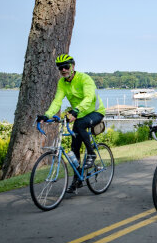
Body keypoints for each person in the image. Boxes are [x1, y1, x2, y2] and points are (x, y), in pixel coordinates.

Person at [36, 54, 105, 193]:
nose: (63, 70)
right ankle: (77, 180)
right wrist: (47, 115)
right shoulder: (62, 83)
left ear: (73, 66)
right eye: (60, 68)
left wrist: (76, 110)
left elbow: (89, 97)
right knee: (74, 148)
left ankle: (91, 154)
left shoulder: (85, 79)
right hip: (78, 115)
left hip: (95, 112)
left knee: (79, 126)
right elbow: (57, 101)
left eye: (66, 66)